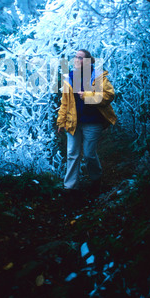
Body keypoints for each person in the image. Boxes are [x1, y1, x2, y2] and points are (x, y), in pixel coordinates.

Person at [57, 49, 117, 193]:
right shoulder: (70, 77)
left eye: (80, 57)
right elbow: (65, 102)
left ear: (88, 61)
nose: (76, 60)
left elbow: (109, 95)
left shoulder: (97, 76)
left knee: (89, 154)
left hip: (92, 122)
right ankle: (70, 187)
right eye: (75, 57)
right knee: (72, 154)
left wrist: (87, 96)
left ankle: (96, 179)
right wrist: (61, 121)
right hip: (73, 122)